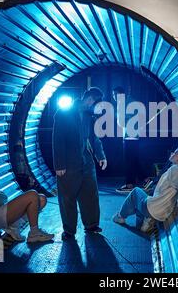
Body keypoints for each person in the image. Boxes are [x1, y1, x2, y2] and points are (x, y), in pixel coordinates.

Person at [53, 87, 108, 241]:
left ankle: (91, 225)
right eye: (94, 103)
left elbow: (94, 138)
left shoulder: (89, 116)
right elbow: (58, 140)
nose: (94, 107)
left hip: (86, 161)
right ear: (89, 99)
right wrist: (59, 164)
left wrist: (100, 155)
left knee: (90, 194)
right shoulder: (63, 113)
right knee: (67, 197)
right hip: (68, 163)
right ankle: (69, 230)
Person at [112, 148, 178, 233]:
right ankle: (146, 222)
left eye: (175, 153)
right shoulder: (177, 171)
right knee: (139, 203)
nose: (172, 154)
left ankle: (120, 217)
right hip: (162, 213)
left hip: (153, 208)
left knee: (135, 191)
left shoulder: (175, 169)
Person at [112, 86, 144, 194]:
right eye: (113, 95)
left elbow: (130, 121)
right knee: (133, 160)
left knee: (129, 161)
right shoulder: (124, 103)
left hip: (131, 136)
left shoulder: (129, 103)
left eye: (115, 94)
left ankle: (130, 184)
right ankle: (145, 179)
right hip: (129, 135)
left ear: (122, 94)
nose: (114, 97)